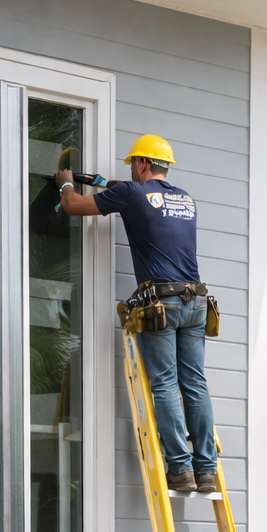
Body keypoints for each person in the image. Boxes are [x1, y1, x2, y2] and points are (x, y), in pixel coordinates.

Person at [56, 134, 217, 493]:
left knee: (163, 384)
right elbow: (148, 200)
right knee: (194, 384)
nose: (131, 169)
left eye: (133, 164)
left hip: (162, 304)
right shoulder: (186, 200)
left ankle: (181, 469)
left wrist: (66, 182)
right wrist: (109, 185)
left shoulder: (131, 194)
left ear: (142, 164)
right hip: (196, 302)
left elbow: (73, 205)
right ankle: (205, 468)